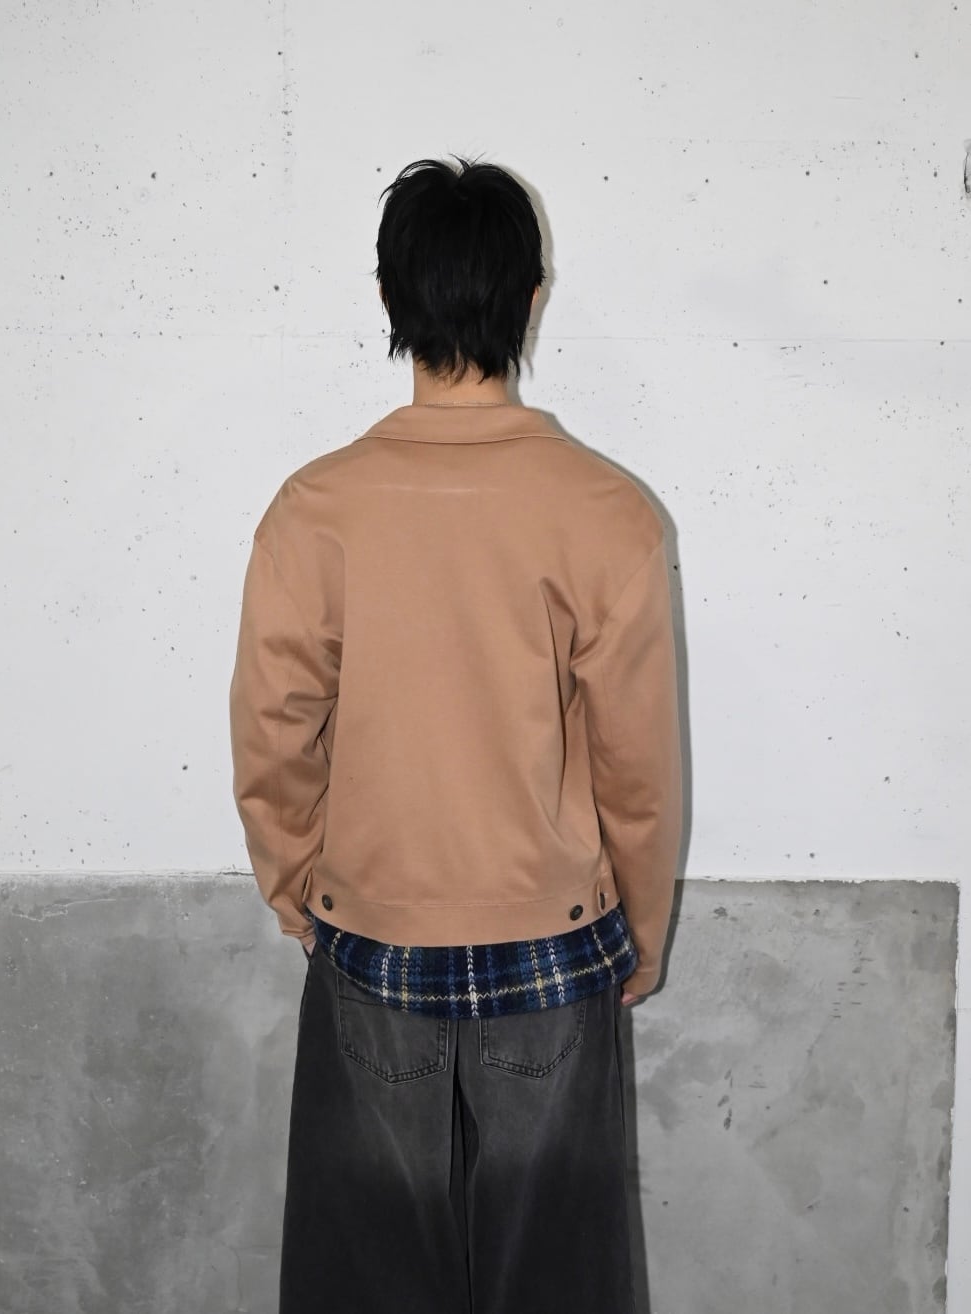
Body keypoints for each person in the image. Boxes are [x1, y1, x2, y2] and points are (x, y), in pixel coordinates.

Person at [228, 155, 683, 1314]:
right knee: (556, 1279)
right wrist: (643, 928)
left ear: (390, 298)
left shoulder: (316, 508)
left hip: (372, 939)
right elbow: (636, 763)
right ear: (530, 297)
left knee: (370, 1278)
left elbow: (274, 730)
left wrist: (297, 886)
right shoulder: (606, 510)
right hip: (553, 948)